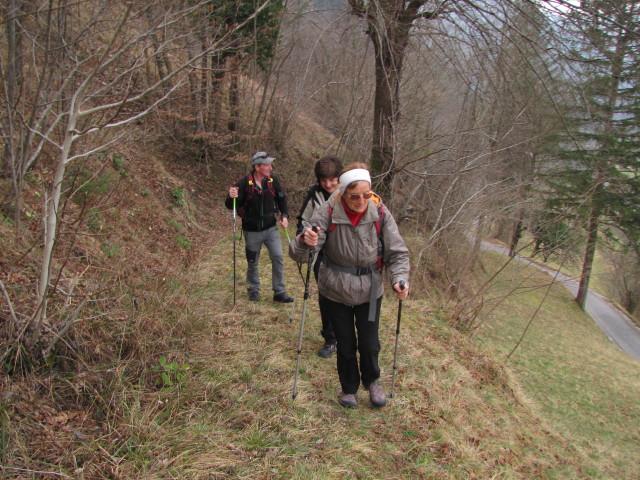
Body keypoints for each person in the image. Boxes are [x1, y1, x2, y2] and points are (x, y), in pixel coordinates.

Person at [290, 163, 410, 408]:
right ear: (343, 193)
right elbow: (301, 253)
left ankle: (372, 381)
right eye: (354, 196)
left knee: (369, 342)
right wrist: (305, 241)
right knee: (345, 343)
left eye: (366, 194)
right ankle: (348, 388)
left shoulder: (380, 212)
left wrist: (399, 278)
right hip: (335, 290)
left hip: (370, 290)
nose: (361, 201)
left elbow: (397, 251)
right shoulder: (327, 211)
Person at [226, 151, 294, 303]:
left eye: (270, 164)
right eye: (267, 165)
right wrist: (231, 196)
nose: (270, 167)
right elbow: (231, 205)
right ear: (257, 167)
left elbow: (282, 199)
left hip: (271, 228)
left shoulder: (272, 180)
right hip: (251, 230)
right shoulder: (243, 183)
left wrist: (284, 215)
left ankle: (279, 292)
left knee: (278, 257)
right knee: (252, 261)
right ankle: (253, 289)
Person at [296, 156, 343, 359]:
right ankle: (331, 339)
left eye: (332, 179)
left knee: (346, 297)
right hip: (321, 254)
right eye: (324, 180)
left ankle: (347, 335)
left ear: (339, 177)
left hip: (346, 255)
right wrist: (306, 236)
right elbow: (303, 221)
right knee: (326, 296)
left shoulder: (349, 193)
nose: (328, 184)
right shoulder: (314, 195)